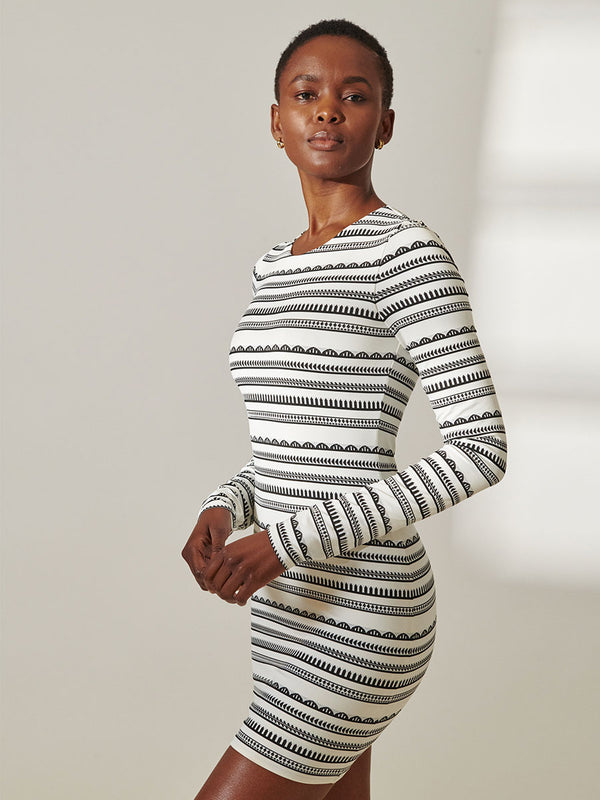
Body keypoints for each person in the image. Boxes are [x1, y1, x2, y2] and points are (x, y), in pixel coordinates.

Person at [181, 18, 507, 800]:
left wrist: (284, 541)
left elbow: (481, 448)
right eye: (307, 94)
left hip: (361, 610)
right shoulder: (274, 267)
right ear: (277, 121)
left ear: (384, 125)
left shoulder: (408, 253)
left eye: (354, 96)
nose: (328, 110)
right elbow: (299, 445)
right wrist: (227, 506)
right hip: (285, 608)